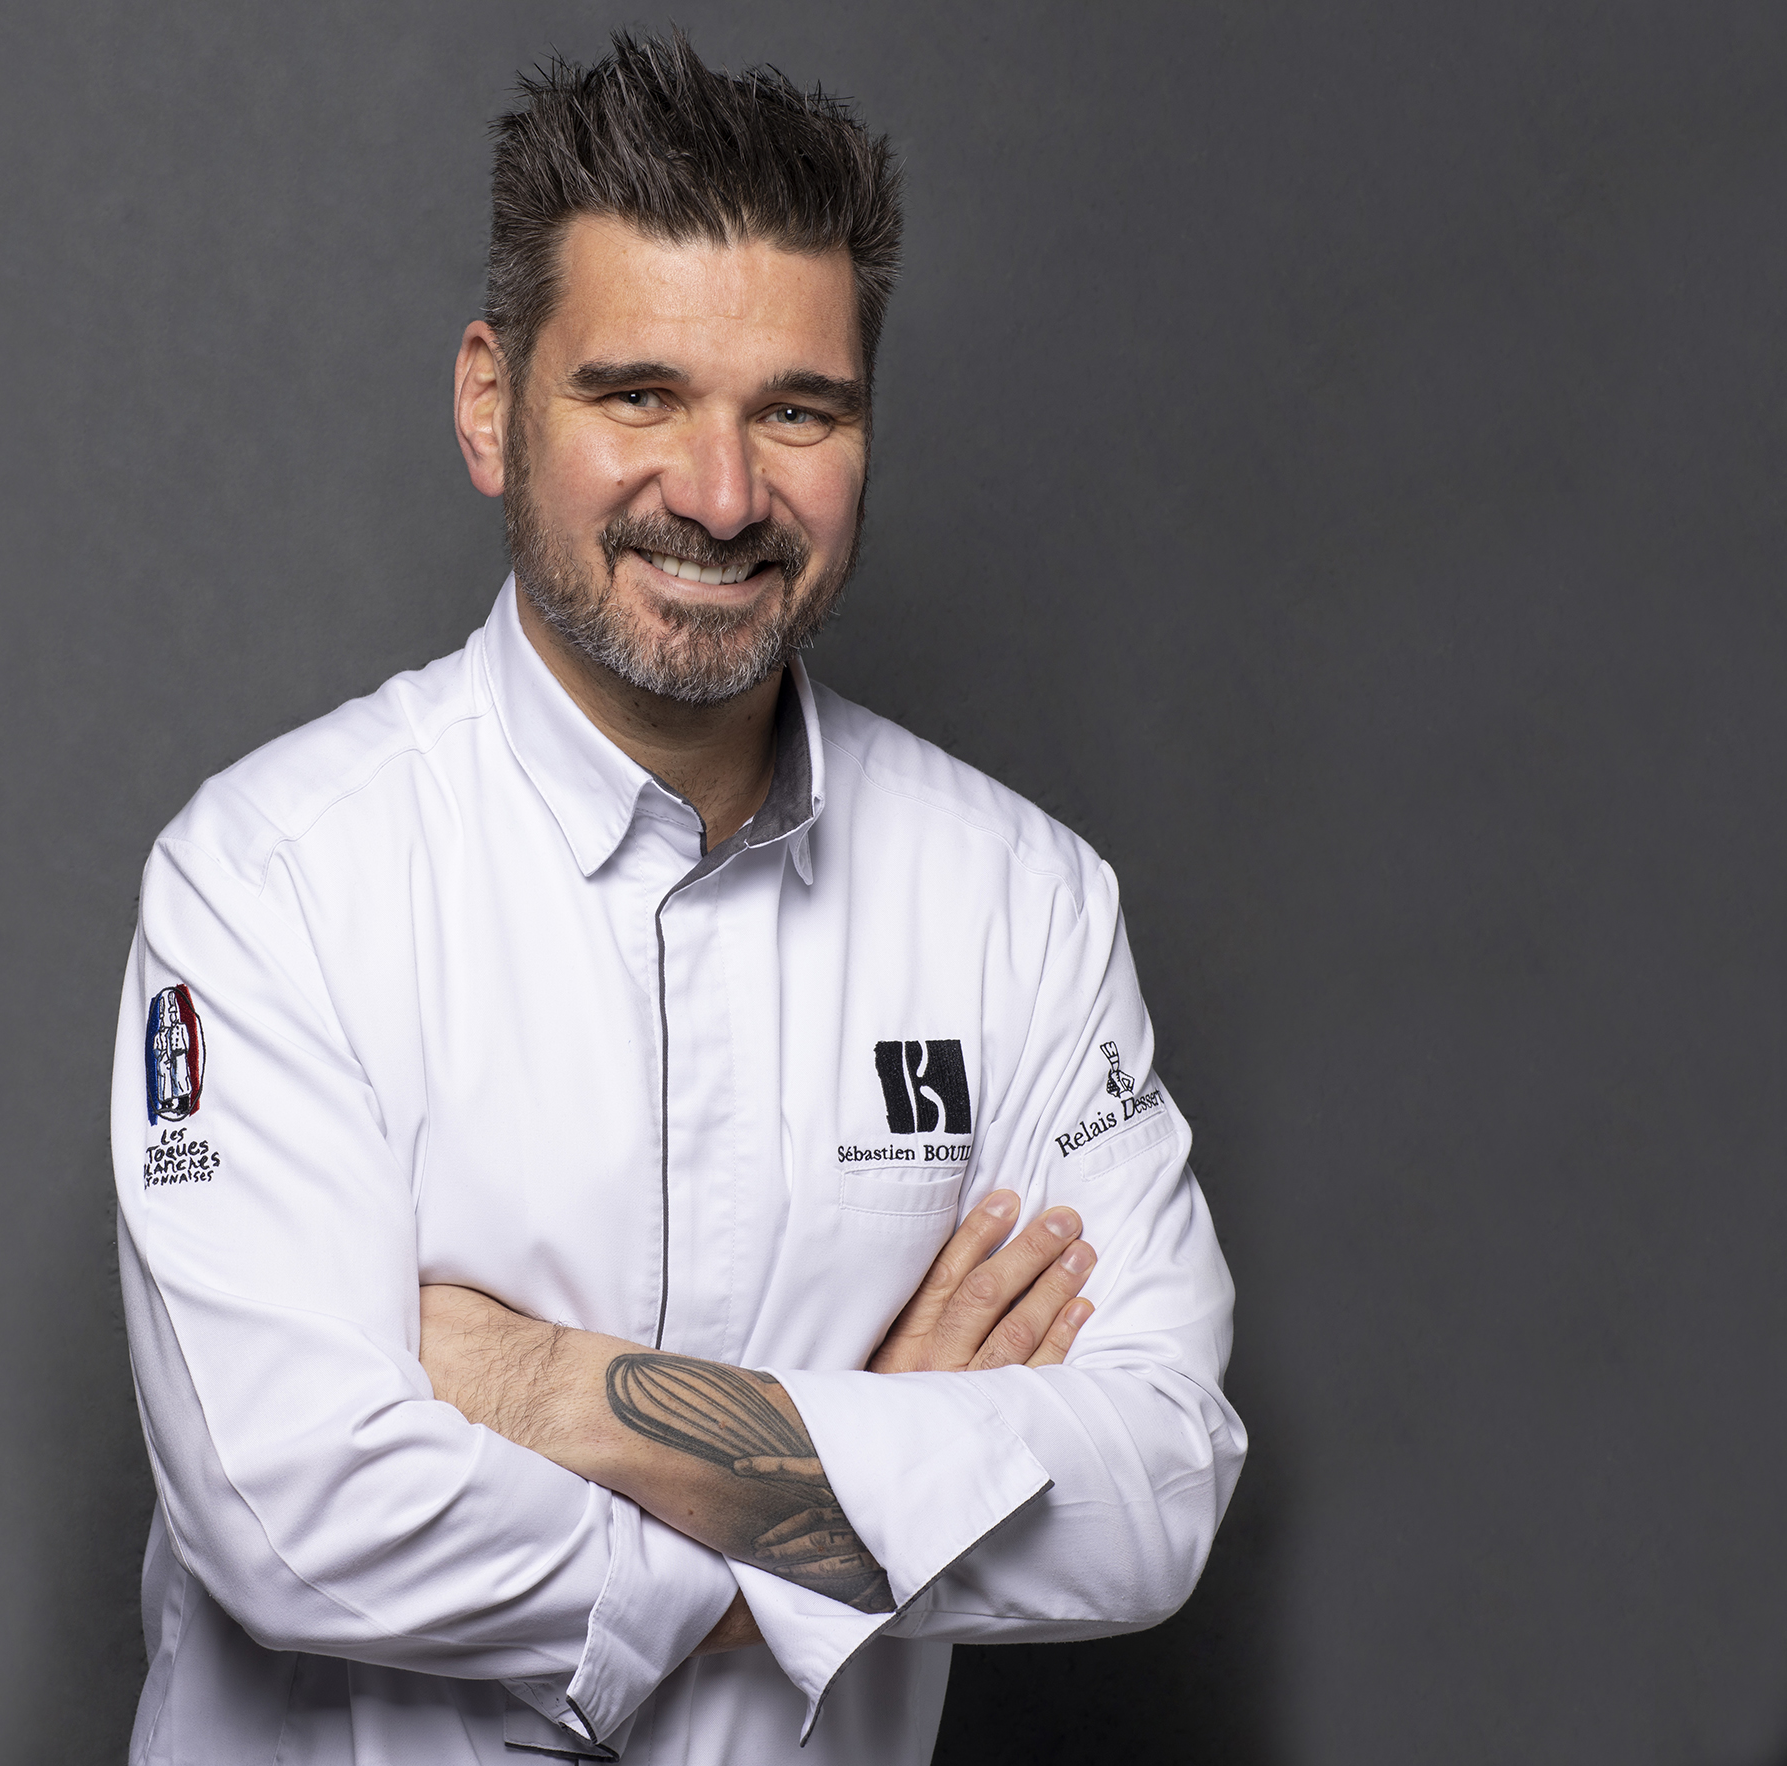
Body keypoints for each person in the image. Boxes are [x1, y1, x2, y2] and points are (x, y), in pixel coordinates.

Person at [110, 33, 1244, 1765]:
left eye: (797, 411)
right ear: (489, 404)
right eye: (638, 394)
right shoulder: (274, 883)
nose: (720, 495)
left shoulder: (1018, 905)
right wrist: (874, 1471)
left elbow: (1155, 1487)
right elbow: (292, 1516)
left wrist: (554, 1391)